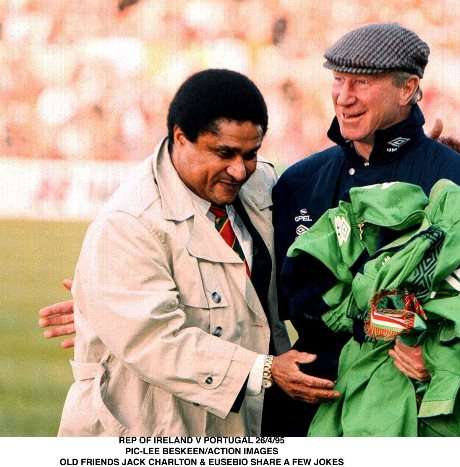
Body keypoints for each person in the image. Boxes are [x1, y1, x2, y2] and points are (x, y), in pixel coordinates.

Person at [272, 22, 460, 433]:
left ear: (407, 88)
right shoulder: (300, 182)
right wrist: (271, 368)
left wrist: (441, 356)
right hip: (312, 408)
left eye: (361, 82)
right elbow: (274, 301)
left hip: (424, 417)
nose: (344, 98)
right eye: (338, 81)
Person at [54, 69, 339, 436]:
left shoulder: (261, 185)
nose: (239, 170)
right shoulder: (129, 222)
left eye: (250, 154)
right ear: (180, 138)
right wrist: (264, 370)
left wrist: (418, 154)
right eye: (224, 153)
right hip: (146, 431)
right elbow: (157, 340)